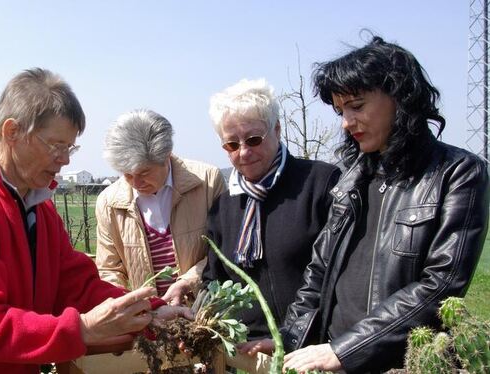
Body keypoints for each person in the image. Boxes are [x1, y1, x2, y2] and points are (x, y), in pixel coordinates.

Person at [0, 68, 189, 374]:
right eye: (56, 146)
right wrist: (82, 329)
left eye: (70, 147)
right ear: (12, 132)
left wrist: (150, 311)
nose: (66, 159)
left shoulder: (37, 206)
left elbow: (75, 287)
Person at [243, 36, 490, 373]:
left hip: (400, 364)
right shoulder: (352, 177)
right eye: (341, 110)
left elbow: (441, 285)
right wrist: (291, 337)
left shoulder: (457, 173)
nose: (346, 122)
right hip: (331, 358)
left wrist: (345, 350)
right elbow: (319, 271)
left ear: (401, 99)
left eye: (357, 106)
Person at [203, 78, 341, 340]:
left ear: (277, 130)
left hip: (316, 346)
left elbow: (340, 274)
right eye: (231, 144)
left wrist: (293, 337)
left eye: (254, 139)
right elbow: (214, 281)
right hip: (252, 355)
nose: (243, 152)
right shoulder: (223, 208)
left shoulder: (321, 184)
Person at [95, 109, 226, 305]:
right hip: (149, 319)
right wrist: (131, 306)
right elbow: (109, 270)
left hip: (203, 310)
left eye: (144, 172)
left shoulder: (207, 181)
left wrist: (189, 283)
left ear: (166, 156)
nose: (135, 182)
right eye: (127, 174)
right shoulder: (109, 202)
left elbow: (223, 249)